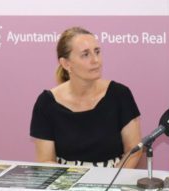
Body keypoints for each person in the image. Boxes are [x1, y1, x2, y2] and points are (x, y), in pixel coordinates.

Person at [30, 27, 142, 168]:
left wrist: (111, 182)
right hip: (65, 180)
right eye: (85, 54)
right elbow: (46, 161)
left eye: (97, 52)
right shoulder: (46, 103)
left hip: (113, 178)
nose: (95, 60)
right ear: (66, 64)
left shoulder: (119, 94)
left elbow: (134, 151)